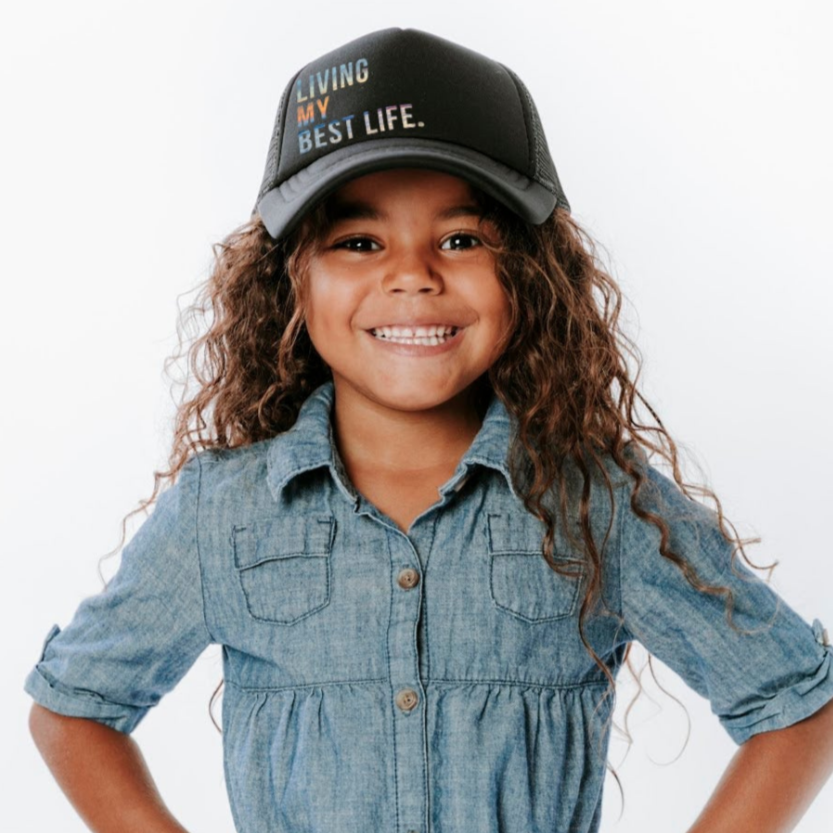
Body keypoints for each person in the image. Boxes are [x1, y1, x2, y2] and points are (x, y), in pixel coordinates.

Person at [23, 26, 833, 833]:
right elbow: (74, 710)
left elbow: (798, 706)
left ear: (530, 275)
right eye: (358, 240)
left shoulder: (594, 499)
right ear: (292, 280)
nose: (411, 273)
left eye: (460, 238)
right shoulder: (223, 509)